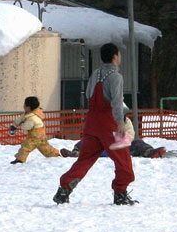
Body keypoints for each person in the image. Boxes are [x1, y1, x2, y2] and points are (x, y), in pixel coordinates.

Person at [53, 43, 137, 205]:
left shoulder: (96, 74)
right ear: (115, 56)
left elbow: (89, 95)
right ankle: (120, 192)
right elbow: (117, 102)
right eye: (119, 54)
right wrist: (120, 122)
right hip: (110, 124)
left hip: (91, 123)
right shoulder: (116, 77)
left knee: (85, 158)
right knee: (124, 159)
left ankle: (64, 189)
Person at [60, 106, 169, 159]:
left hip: (121, 148)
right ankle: (76, 152)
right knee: (85, 141)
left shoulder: (126, 122)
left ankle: (149, 152)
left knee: (138, 143)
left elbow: (130, 137)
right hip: (103, 147)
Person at [9, 96, 60, 164]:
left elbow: (26, 127)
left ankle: (20, 159)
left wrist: (21, 125)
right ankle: (56, 154)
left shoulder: (32, 118)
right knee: (46, 148)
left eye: (24, 105)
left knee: (25, 147)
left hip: (35, 137)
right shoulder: (29, 113)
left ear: (28, 107)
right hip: (41, 135)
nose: (23, 106)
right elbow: (20, 119)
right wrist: (14, 125)